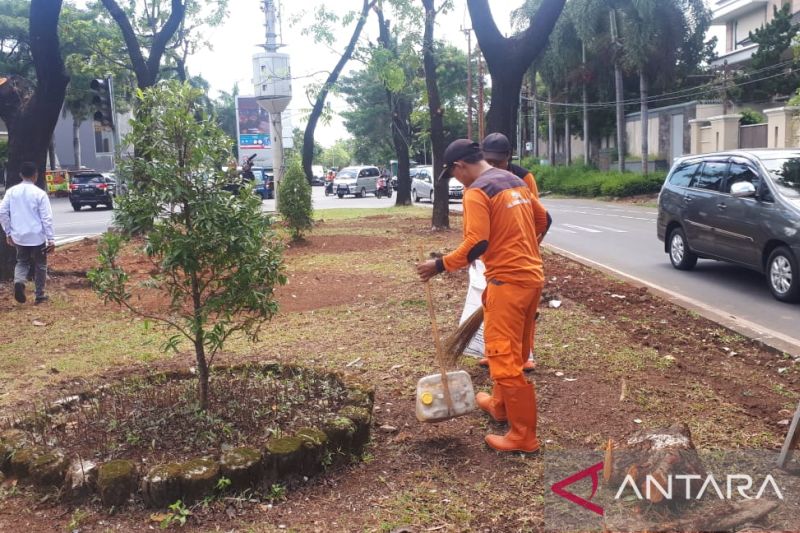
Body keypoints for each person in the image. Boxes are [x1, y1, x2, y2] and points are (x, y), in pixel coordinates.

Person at [417, 140, 547, 453]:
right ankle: (500, 406)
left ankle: (523, 436)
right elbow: (544, 221)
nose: (456, 180)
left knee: (502, 357)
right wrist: (523, 247)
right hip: (532, 279)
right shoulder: (514, 181)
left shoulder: (476, 191)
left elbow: (476, 244)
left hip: (509, 283)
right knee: (513, 349)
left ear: (460, 166)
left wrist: (438, 265)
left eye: (453, 174)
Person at [477, 132, 553, 372]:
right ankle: (495, 352)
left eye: (498, 162)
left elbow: (538, 217)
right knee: (491, 302)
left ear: (508, 156)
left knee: (525, 310)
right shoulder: (481, 181)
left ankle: (526, 355)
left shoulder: (523, 177)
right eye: (489, 161)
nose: (493, 166)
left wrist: (529, 247)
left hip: (522, 256)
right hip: (496, 255)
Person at [0, 162, 55, 304]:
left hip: (19, 235)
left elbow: (2, 212)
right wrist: (51, 239)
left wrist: (8, 232)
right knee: (40, 265)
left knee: (21, 262)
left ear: (21, 175)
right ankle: (40, 295)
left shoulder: (11, 192)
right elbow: (46, 218)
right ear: (35, 175)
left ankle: (19, 282)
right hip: (37, 236)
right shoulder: (40, 194)